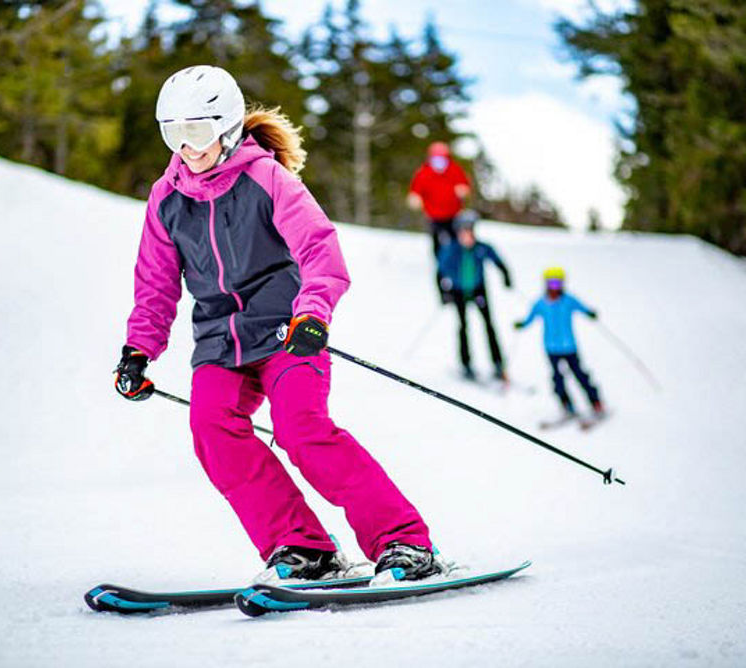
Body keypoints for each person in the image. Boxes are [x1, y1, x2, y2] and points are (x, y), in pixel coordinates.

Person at [112, 65, 440, 583]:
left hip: (288, 331)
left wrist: (313, 313)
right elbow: (155, 282)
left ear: (227, 126)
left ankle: (404, 541)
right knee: (212, 430)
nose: (186, 148)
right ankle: (302, 547)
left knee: (301, 429)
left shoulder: (265, 178)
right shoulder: (167, 197)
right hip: (221, 340)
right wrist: (138, 350)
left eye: (196, 132)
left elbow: (320, 248)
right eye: (173, 135)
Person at [515, 267, 604, 417]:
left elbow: (582, 308)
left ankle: (595, 402)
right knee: (557, 378)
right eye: (551, 284)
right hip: (551, 348)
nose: (554, 287)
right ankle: (566, 404)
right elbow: (530, 318)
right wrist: (521, 325)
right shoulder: (540, 303)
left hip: (569, 347)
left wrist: (590, 313)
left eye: (557, 283)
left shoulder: (569, 300)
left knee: (580, 375)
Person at [437, 210, 512, 382]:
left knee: (489, 325)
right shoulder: (451, 249)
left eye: (469, 231)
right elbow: (440, 272)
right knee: (463, 326)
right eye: (463, 232)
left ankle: (498, 363)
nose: (467, 236)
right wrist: (444, 293)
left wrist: (506, 277)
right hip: (458, 291)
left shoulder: (481, 248)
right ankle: (466, 363)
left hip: (479, 290)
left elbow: (498, 262)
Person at [407, 141, 471, 303]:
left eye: (442, 158)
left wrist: (462, 190)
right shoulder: (424, 172)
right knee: (439, 253)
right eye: (436, 158)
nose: (439, 161)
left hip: (453, 217)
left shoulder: (453, 169)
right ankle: (443, 289)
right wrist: (415, 198)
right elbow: (415, 190)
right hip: (434, 218)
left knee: (457, 250)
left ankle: (460, 285)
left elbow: (464, 184)